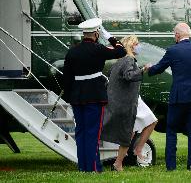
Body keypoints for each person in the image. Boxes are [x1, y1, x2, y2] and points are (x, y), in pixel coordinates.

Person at [145, 22, 191, 171]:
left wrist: (148, 69)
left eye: (173, 34)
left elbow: (158, 69)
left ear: (177, 35)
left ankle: (171, 167)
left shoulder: (173, 50)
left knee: (171, 131)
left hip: (178, 97)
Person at [63, 18, 126, 172]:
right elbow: (121, 51)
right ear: (96, 34)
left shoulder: (72, 51)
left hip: (77, 97)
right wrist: (110, 37)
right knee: (92, 133)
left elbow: (67, 78)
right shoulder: (98, 49)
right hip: (94, 97)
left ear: (84, 34)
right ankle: (92, 167)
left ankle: (83, 167)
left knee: (81, 133)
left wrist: (71, 96)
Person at [101, 35, 157, 171]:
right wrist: (143, 70)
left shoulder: (119, 61)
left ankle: (120, 161)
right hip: (129, 101)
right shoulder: (128, 60)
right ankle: (134, 151)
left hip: (125, 100)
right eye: (136, 43)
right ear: (131, 46)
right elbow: (129, 76)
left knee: (131, 131)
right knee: (150, 122)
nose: (139, 46)